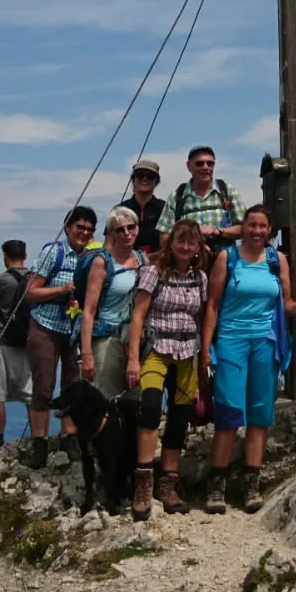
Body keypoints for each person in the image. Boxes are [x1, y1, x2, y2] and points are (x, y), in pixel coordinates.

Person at [200, 203, 296, 514]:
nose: (257, 231)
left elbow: (286, 302)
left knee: (260, 414)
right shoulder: (227, 258)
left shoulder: (276, 259)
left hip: (265, 342)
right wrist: (206, 349)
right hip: (230, 341)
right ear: (243, 227)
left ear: (270, 231)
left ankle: (250, 485)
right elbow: (212, 305)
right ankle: (217, 486)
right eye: (251, 225)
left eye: (262, 226)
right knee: (228, 412)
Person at [125, 219, 207, 520]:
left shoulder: (200, 278)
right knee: (149, 409)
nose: (186, 247)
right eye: (181, 241)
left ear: (198, 247)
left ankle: (168, 483)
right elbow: (138, 316)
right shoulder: (153, 272)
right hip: (156, 350)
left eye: (191, 242)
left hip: (187, 353)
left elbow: (201, 317)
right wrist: (133, 359)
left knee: (180, 417)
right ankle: (143, 484)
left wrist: (204, 357)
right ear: (171, 243)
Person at [26, 205, 98, 468]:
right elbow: (31, 291)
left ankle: (69, 435)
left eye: (89, 229)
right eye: (80, 227)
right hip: (45, 325)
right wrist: (63, 289)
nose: (84, 233)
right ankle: (40, 442)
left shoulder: (91, 256)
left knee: (72, 385)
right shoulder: (52, 253)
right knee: (43, 385)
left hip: (74, 329)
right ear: (67, 227)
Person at [78, 207, 146, 399]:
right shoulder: (103, 262)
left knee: (135, 400)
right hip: (108, 338)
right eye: (120, 229)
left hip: (135, 339)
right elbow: (89, 311)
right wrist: (87, 354)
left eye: (131, 227)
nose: (127, 233)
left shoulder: (142, 260)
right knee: (107, 399)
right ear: (112, 234)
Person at [0, 239, 32, 458]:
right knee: (31, 395)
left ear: (5, 256)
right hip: (29, 342)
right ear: (25, 255)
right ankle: (40, 438)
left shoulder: (1, 281)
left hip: (2, 342)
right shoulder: (34, 278)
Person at [156, 146, 245, 253]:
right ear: (189, 166)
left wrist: (217, 231)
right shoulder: (177, 196)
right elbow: (164, 239)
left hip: (224, 261)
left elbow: (245, 229)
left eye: (210, 163)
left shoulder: (227, 191)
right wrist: (192, 237)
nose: (205, 167)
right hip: (189, 263)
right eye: (200, 163)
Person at [119, 158, 164, 255]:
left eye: (150, 176)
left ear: (156, 181)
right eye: (140, 175)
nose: (145, 178)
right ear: (133, 180)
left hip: (158, 264)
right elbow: (110, 243)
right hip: (125, 264)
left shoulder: (165, 209)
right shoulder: (120, 210)